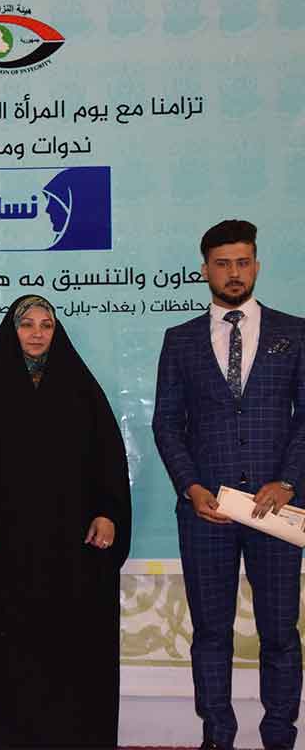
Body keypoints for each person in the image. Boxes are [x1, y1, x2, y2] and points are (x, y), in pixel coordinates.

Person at [0, 294, 131, 749]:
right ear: (12, 330)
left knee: (64, 648)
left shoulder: (82, 390)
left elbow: (107, 459)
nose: (38, 333)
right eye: (27, 324)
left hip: (66, 552)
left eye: (46, 325)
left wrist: (107, 513)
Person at [153, 219, 305, 750]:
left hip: (276, 511)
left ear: (256, 266)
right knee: (211, 633)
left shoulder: (295, 333)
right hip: (206, 512)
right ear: (205, 270)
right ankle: (217, 735)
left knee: (280, 633)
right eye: (223, 264)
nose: (234, 272)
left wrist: (289, 482)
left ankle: (279, 736)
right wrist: (191, 487)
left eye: (242, 262)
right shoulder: (180, 340)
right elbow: (166, 424)